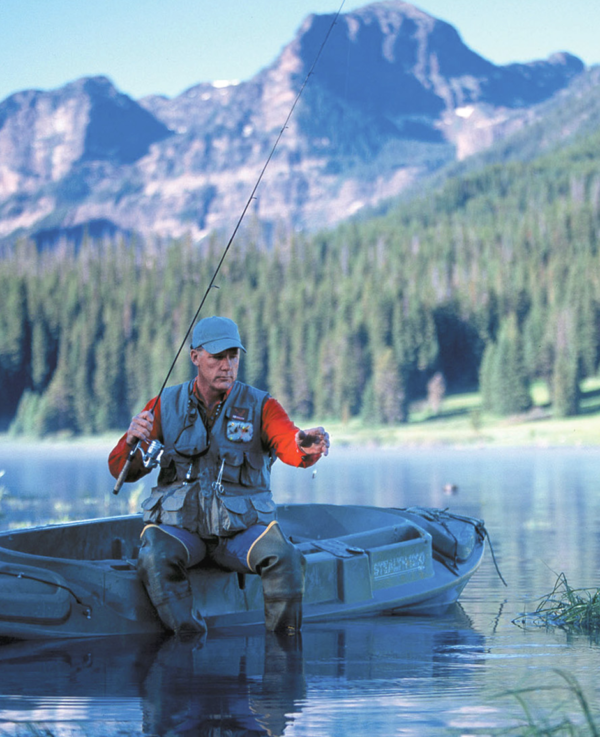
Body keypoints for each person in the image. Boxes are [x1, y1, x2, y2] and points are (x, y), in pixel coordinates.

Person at [109, 315, 329, 637]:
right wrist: (131, 441)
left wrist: (306, 445)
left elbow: (289, 443)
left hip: (240, 533)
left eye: (233, 356)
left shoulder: (262, 406)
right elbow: (120, 469)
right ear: (195, 357)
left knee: (285, 557)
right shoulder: (163, 405)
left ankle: (283, 653)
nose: (227, 366)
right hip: (182, 531)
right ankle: (189, 639)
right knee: (154, 553)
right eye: (217, 357)